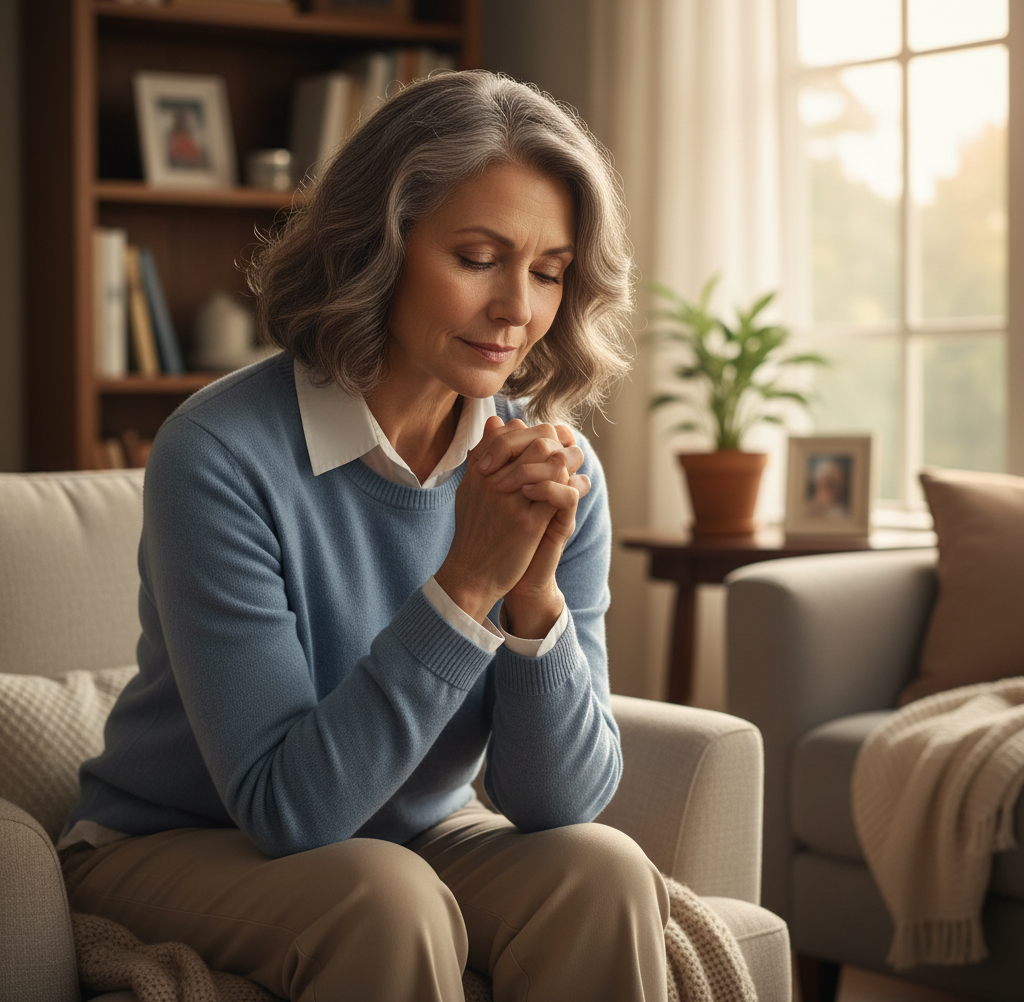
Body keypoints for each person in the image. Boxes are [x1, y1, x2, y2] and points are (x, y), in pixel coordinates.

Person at [59, 70, 670, 1002]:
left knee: (605, 871)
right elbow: (287, 809)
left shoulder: (551, 465)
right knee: (386, 898)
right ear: (377, 248)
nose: (518, 306)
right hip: (178, 840)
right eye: (478, 257)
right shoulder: (219, 453)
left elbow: (560, 804)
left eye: (548, 272)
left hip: (412, 835)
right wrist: (467, 585)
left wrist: (533, 603)